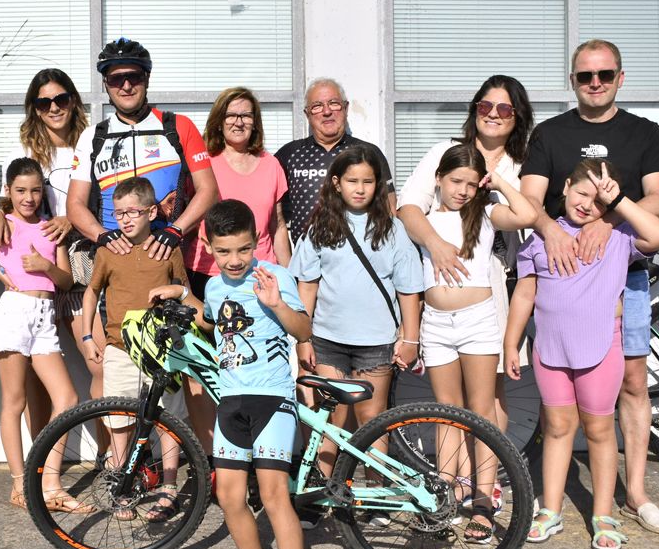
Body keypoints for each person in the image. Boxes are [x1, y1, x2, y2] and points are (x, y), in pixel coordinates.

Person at [519, 39, 659, 535]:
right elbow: (530, 201)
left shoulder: (644, 132)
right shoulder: (550, 133)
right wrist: (549, 231)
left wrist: (610, 221)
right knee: (564, 402)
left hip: (620, 270)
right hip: (566, 268)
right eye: (586, 75)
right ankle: (559, 505)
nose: (595, 83)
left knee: (632, 380)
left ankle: (635, 495)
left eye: (605, 75)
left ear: (620, 78)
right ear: (573, 81)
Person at [150, 199, 318, 549]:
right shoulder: (216, 285)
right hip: (232, 401)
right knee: (227, 493)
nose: (235, 260)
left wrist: (277, 304)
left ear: (256, 241)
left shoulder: (273, 275)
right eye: (224, 252)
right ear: (208, 246)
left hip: (272, 401)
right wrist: (182, 294)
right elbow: (212, 321)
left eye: (243, 249)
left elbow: (303, 329)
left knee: (275, 494)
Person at [506, 159, 659, 549]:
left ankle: (603, 514)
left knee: (599, 431)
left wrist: (619, 205)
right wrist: (511, 342)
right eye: (582, 193)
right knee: (558, 429)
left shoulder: (618, 237)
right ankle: (550, 509)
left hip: (600, 348)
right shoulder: (538, 240)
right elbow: (525, 294)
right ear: (565, 186)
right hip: (551, 349)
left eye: (598, 201)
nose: (587, 205)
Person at [66, 37, 218, 447]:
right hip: (115, 273)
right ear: (106, 84)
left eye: (133, 77)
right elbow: (75, 205)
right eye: (116, 79)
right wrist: (103, 234)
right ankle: (128, 470)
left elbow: (208, 191)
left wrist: (174, 229)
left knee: (186, 379)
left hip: (169, 268)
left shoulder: (177, 126)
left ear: (146, 79)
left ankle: (201, 467)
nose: (126, 86)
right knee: (110, 374)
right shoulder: (93, 137)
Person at [289, 146, 423, 528]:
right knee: (327, 419)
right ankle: (320, 492)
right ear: (336, 183)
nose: (360, 189)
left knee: (371, 420)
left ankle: (375, 494)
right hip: (328, 339)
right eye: (352, 181)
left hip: (376, 342)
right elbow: (307, 286)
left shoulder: (393, 228)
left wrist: (409, 338)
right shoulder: (319, 226)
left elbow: (408, 289)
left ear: (378, 184)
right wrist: (303, 338)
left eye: (368, 181)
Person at [0, 157, 89, 512]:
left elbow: (67, 280)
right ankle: (19, 484)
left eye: (36, 191)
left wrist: (45, 267)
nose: (29, 198)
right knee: (15, 402)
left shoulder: (51, 228)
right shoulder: (3, 224)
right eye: (21, 190)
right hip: (14, 313)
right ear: (8, 191)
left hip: (45, 317)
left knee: (67, 397)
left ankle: (51, 484)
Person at [397, 75, 534, 434]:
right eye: (485, 106)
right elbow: (408, 207)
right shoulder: (447, 150)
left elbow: (529, 214)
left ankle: (489, 485)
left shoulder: (522, 164)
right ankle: (455, 484)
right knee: (449, 403)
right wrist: (435, 244)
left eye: (504, 108)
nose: (493, 114)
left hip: (497, 282)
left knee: (492, 393)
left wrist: (499, 182)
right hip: (442, 277)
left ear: (517, 116)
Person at [417, 144, 537, 542]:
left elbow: (528, 214)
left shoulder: (486, 213)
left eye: (471, 183)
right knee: (446, 413)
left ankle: (484, 502)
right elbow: (401, 212)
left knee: (481, 413)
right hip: (434, 323)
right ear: (438, 179)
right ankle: (447, 496)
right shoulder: (426, 220)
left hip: (477, 321)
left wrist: (498, 181)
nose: (463, 191)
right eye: (455, 181)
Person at [0, 70, 103, 453]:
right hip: (33, 276)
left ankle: (110, 458)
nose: (54, 108)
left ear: (73, 100)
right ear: (35, 109)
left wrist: (70, 218)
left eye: (61, 99)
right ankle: (41, 465)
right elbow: (5, 209)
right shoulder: (23, 153)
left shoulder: (91, 144)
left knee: (100, 364)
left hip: (76, 267)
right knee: (35, 381)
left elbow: (99, 204)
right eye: (45, 102)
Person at [181, 87, 291, 454]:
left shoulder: (271, 164)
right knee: (202, 375)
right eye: (231, 115)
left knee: (251, 369)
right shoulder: (204, 163)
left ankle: (259, 459)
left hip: (257, 281)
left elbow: (277, 227)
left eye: (246, 115)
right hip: (207, 277)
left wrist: (286, 277)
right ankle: (215, 459)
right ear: (219, 120)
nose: (239, 121)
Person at [79, 176, 188, 520]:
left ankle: (169, 485)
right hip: (119, 348)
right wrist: (86, 336)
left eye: (133, 212)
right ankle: (122, 483)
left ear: (152, 211)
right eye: (118, 214)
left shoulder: (167, 249)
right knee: (120, 419)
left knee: (167, 419)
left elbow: (183, 289)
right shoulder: (108, 252)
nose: (125, 219)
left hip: (162, 349)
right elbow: (91, 292)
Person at [275, 78, 395, 250]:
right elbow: (272, 213)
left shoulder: (369, 153)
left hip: (360, 259)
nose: (326, 111)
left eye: (334, 103)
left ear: (346, 108)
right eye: (317, 106)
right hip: (306, 264)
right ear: (307, 113)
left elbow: (389, 209)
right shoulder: (289, 154)